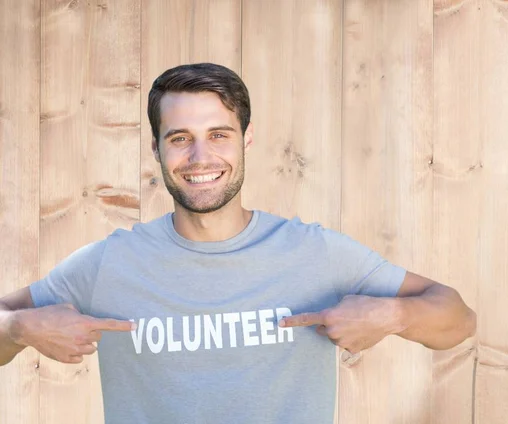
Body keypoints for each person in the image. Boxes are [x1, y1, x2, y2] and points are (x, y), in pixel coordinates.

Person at [0, 63, 476, 424]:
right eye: (180, 137)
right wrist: (19, 327)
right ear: (156, 149)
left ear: (246, 140)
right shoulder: (111, 263)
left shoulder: (315, 253)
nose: (201, 157)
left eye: (219, 135)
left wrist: (395, 316)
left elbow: (457, 318)